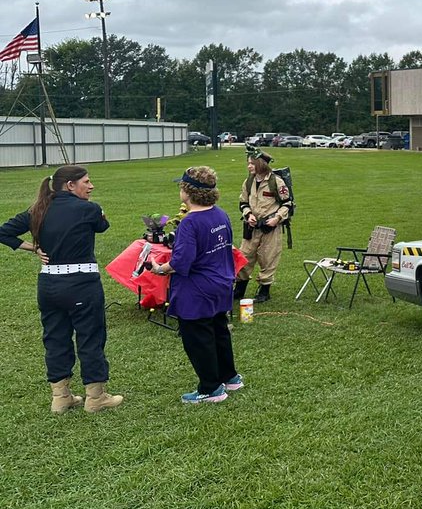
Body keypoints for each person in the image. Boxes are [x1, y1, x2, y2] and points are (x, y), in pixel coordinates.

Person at [0, 165, 123, 414]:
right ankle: (96, 398)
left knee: (55, 338)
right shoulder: (89, 209)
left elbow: (4, 232)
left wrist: (32, 248)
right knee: (90, 337)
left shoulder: (38, 209)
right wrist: (100, 212)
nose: (91, 186)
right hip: (82, 286)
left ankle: (61, 397)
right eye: (86, 182)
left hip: (49, 287)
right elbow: (102, 226)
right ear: (70, 185)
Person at [150, 165, 243, 404]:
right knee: (218, 330)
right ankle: (229, 376)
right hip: (221, 282)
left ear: (188, 192)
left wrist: (159, 268)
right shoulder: (220, 214)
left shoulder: (190, 222)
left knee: (198, 338)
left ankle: (210, 388)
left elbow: (182, 262)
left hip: (197, 289)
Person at [235, 146, 291, 304]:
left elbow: (287, 204)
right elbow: (243, 202)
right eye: (248, 163)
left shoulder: (276, 182)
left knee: (268, 257)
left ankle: (264, 291)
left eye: (252, 163)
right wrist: (248, 214)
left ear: (260, 164)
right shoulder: (249, 181)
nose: (249, 166)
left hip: (270, 228)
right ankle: (239, 289)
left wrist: (277, 218)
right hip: (251, 228)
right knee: (244, 257)